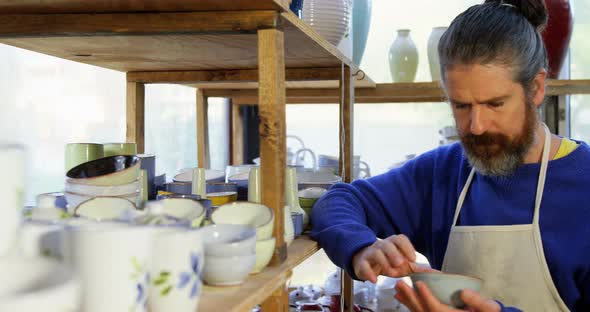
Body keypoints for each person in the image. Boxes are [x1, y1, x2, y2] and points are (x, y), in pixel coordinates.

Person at [311, 0, 590, 311]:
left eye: (494, 104)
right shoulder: (443, 173)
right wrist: (362, 247)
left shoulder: (584, 183)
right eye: (461, 106)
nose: (477, 126)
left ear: (536, 88)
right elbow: (336, 201)